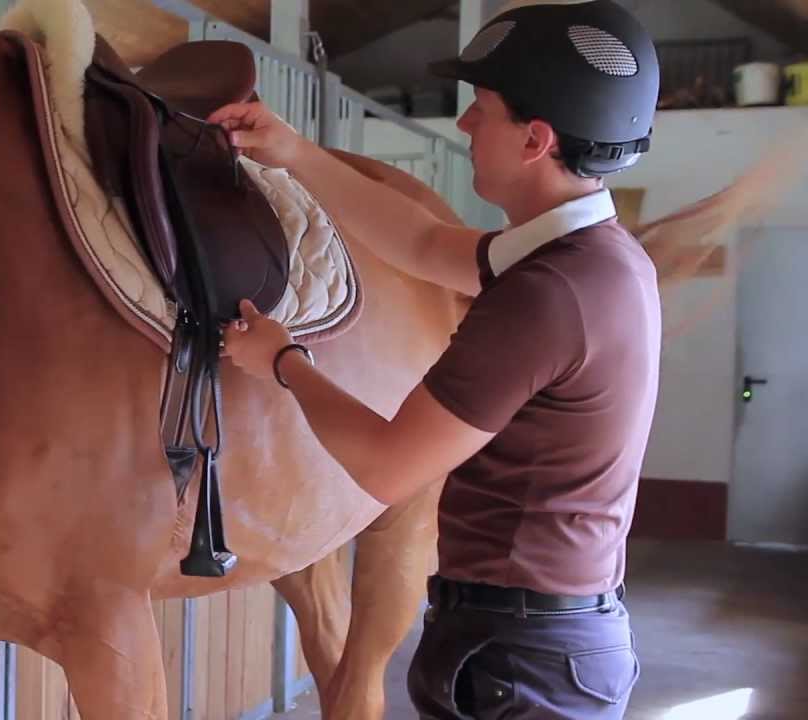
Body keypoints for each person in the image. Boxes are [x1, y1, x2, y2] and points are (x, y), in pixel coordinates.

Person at [208, 1, 661, 717]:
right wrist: (295, 153)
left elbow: (389, 467)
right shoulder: (596, 259)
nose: (466, 125)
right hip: (545, 641)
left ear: (535, 139)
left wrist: (284, 362)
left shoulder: (545, 296)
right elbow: (420, 245)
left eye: (482, 108)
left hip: (518, 658)